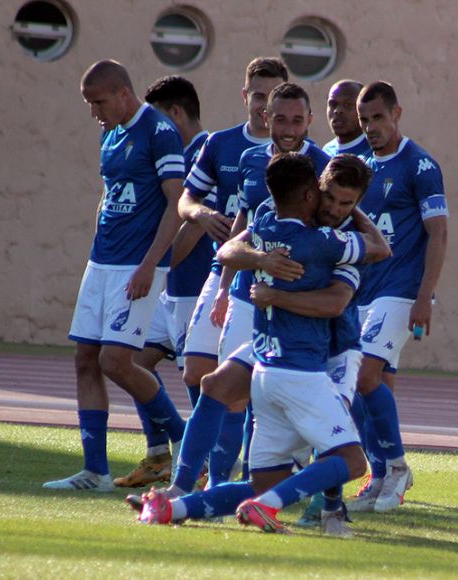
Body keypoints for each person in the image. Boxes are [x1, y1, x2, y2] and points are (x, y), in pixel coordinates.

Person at [138, 153, 389, 536]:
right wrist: (262, 260)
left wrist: (273, 295)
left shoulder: (334, 239)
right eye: (332, 199)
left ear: (357, 205)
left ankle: (331, 510)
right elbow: (225, 252)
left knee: (308, 454)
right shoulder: (292, 224)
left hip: (332, 353)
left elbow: (336, 302)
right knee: (216, 386)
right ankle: (182, 493)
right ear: (313, 192)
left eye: (347, 204)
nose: (336, 209)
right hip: (289, 359)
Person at [164, 82, 330, 496]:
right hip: (245, 293)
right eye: (280, 119)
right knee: (222, 389)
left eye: (297, 120)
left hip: (294, 308)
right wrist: (224, 285)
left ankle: (302, 491)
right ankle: (202, 485)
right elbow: (241, 227)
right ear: (265, 118)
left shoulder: (324, 167)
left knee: (273, 399)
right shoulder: (250, 160)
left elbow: (337, 232)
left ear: (310, 121)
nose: (289, 128)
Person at [43, 60, 186, 492]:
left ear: (124, 92)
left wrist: (150, 265)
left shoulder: (159, 131)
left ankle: (186, 440)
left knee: (115, 361)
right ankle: (95, 471)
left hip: (135, 266)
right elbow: (109, 196)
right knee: (85, 359)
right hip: (102, 262)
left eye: (98, 102)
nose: (94, 112)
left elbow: (175, 203)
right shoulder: (109, 134)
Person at [176, 58, 288, 486]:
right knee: (194, 370)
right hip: (224, 270)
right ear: (246, 96)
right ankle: (216, 458)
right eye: (257, 95)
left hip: (263, 282)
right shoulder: (224, 145)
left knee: (235, 380)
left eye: (272, 96)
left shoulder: (302, 157)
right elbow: (185, 201)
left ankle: (224, 470)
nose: (263, 105)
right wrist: (203, 215)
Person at [347, 81, 449, 512]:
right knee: (376, 387)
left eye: (378, 118)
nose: (371, 127)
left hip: (402, 290)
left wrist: (425, 296)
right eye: (364, 120)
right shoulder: (359, 167)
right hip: (365, 292)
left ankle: (398, 465)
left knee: (364, 376)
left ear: (396, 114)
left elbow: (438, 233)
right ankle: (382, 474)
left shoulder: (420, 165)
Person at [112, 75, 212, 488]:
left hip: (194, 288)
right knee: (130, 362)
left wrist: (158, 265)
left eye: (155, 117)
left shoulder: (207, 151)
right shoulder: (168, 151)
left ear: (174, 113)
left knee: (199, 380)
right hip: (166, 288)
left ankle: (201, 463)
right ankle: (158, 455)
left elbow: (194, 228)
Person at [322, 80, 371, 158]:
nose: (338, 111)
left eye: (347, 104)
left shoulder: (374, 152)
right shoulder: (326, 152)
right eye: (333, 104)